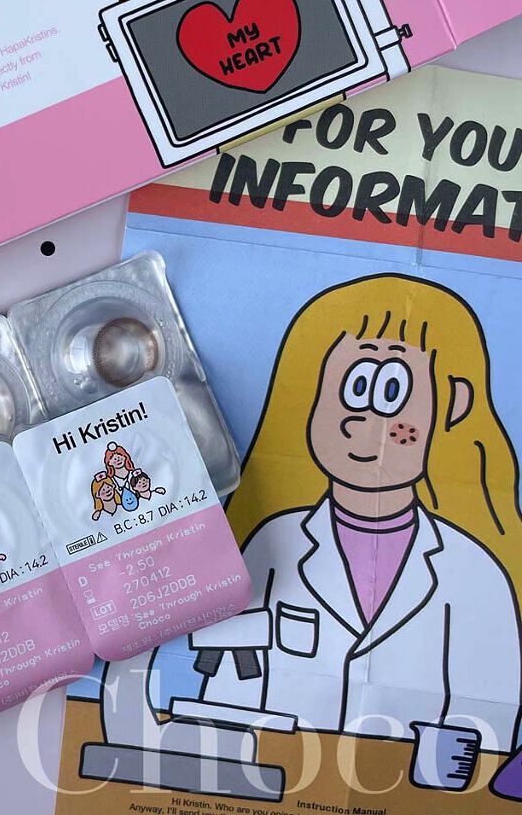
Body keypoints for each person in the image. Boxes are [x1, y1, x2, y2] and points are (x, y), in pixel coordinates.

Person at [201, 275, 522, 753]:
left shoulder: (477, 576)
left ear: (453, 404)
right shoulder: (270, 543)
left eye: (391, 390)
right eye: (351, 387)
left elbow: (490, 732)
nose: (361, 421)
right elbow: (222, 701)